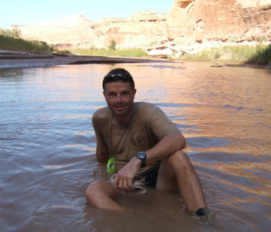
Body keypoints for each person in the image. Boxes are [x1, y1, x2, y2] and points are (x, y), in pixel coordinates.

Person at [85, 68, 214, 225]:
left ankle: (204, 222)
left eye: (125, 93)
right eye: (112, 94)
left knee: (179, 156)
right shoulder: (99, 118)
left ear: (134, 93)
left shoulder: (148, 111)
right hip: (123, 180)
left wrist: (138, 159)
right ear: (104, 95)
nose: (119, 100)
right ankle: (134, 223)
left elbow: (178, 139)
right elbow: (102, 155)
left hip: (158, 178)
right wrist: (101, 175)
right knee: (92, 190)